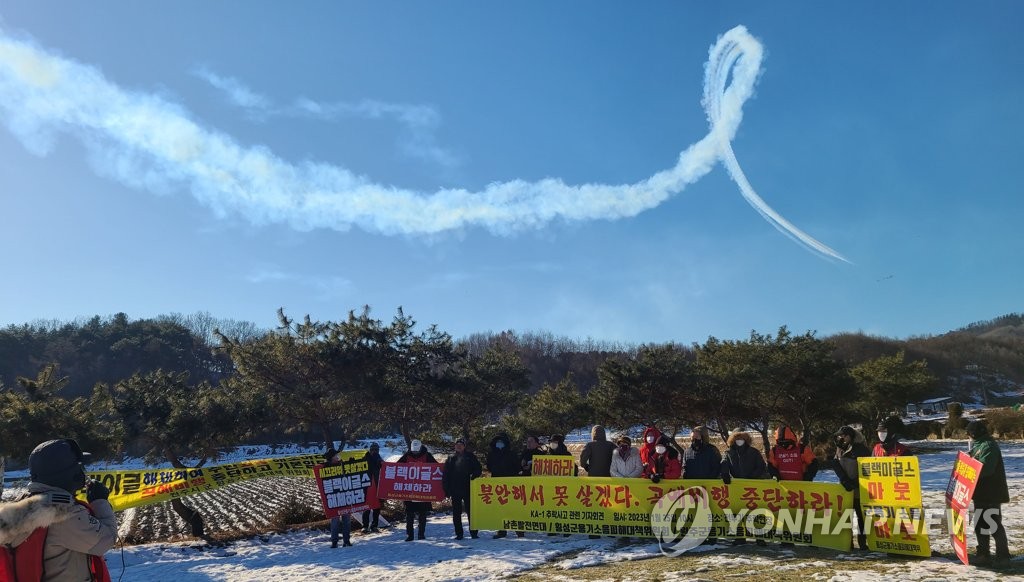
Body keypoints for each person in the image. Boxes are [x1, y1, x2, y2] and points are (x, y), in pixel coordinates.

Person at [0, 438, 116, 581]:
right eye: (80, 467)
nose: (83, 472)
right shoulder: (63, 513)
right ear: (71, 474)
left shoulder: (21, 506)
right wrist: (100, 501)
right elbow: (106, 540)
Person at [966, 420, 1011, 567]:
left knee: (993, 524)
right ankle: (983, 554)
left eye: (970, 433)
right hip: (979, 492)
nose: (969, 436)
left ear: (975, 433)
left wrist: (970, 466)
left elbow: (986, 469)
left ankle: (1003, 557)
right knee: (980, 524)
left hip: (991, 492)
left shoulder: (988, 446)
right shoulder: (978, 445)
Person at [721, 429, 768, 546]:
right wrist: (725, 474)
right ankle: (740, 536)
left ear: (746, 439)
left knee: (755, 512)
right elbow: (723, 464)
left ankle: (759, 537)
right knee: (737, 513)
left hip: (752, 487)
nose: (739, 441)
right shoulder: (728, 453)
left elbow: (761, 466)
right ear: (732, 440)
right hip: (736, 488)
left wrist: (753, 476)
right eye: (736, 439)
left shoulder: (753, 452)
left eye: (741, 439)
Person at [831, 425, 870, 551]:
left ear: (850, 436)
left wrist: (855, 482)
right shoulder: (840, 448)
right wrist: (844, 479)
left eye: (844, 435)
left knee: (861, 517)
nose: (841, 438)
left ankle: (863, 542)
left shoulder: (861, 449)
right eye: (840, 436)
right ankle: (847, 542)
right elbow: (836, 463)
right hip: (845, 490)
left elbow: (868, 469)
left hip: (860, 490)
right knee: (845, 517)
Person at [397, 439, 438, 541]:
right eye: (413, 451)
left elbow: (437, 468)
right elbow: (397, 467)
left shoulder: (427, 456)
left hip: (423, 490)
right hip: (410, 490)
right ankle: (410, 535)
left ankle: (421, 534)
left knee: (422, 514)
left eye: (416, 451)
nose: (415, 453)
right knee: (409, 515)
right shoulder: (407, 455)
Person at [442, 438, 482, 540]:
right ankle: (459, 534)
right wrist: (446, 489)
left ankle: (474, 532)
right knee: (456, 513)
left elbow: (478, 468)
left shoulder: (470, 456)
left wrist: (474, 476)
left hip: (468, 488)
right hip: (455, 489)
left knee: (471, 512)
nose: (458, 446)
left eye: (461, 444)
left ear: (464, 446)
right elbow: (446, 475)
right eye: (457, 444)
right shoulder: (451, 458)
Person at [486, 433, 520, 539]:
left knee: (514, 508)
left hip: (510, 483)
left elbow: (517, 467)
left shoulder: (511, 454)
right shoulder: (491, 454)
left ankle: (519, 530)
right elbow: (489, 467)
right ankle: (501, 530)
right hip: (497, 484)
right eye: (497, 442)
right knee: (499, 508)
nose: (499, 444)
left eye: (501, 442)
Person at [324, 446, 353, 547]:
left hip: (345, 495)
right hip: (334, 497)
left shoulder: (343, 465)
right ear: (332, 458)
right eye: (336, 455)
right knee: (335, 520)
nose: (338, 456)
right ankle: (334, 541)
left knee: (347, 519)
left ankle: (346, 540)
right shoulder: (325, 468)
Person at [360, 443, 383, 533]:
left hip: (377, 485)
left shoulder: (379, 459)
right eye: (373, 450)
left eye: (376, 450)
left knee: (377, 507)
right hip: (367, 486)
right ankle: (365, 526)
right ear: (370, 450)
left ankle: (374, 525)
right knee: (366, 507)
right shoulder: (365, 458)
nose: (374, 451)